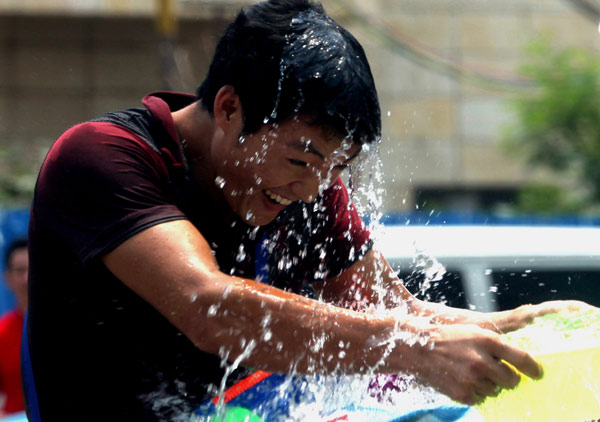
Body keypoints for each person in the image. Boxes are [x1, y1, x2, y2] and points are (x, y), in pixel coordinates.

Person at [24, 0, 592, 420]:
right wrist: (418, 351)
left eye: (337, 169)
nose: (313, 189)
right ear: (228, 107)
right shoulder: (104, 158)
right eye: (304, 158)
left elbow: (390, 309)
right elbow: (211, 307)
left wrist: (508, 329)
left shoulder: (307, 187)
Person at [0, 238, 28, 417]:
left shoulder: (71, 326)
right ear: (8, 278)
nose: (27, 279)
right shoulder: (2, 333)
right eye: (20, 270)